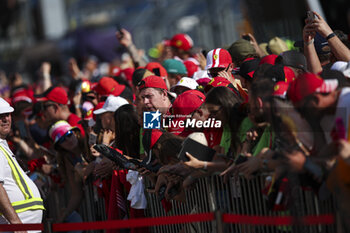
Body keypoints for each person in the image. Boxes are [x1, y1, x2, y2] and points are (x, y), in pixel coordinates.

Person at [0, 97, 44, 232]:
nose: (5, 119)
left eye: (7, 114)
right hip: (18, 222)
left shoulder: (3, 144)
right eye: (0, 116)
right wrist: (15, 222)